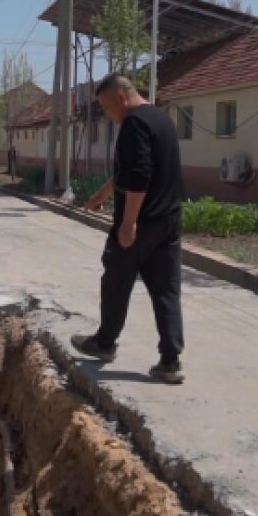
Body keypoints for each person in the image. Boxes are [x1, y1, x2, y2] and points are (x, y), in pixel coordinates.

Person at [72, 73, 186, 384]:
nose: (109, 117)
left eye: (108, 109)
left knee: (116, 281)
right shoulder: (161, 119)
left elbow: (139, 176)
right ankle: (170, 360)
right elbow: (129, 170)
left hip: (142, 224)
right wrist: (102, 194)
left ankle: (105, 343)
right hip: (169, 222)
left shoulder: (134, 123)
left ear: (121, 98)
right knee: (166, 291)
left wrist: (128, 222)